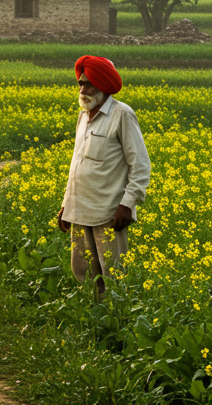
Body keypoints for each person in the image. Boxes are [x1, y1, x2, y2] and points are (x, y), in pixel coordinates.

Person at [56, 55, 151, 297]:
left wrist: (127, 205)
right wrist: (67, 204)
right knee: (82, 271)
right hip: (80, 209)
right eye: (80, 83)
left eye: (89, 84)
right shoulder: (83, 117)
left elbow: (140, 165)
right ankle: (91, 321)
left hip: (109, 212)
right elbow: (76, 164)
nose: (83, 89)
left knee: (113, 275)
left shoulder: (122, 115)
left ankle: (115, 323)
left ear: (104, 86)